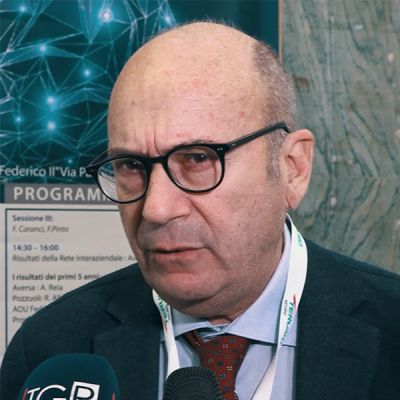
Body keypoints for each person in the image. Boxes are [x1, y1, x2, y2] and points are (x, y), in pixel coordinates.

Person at [1, 21, 400, 400]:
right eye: (131, 166)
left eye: (198, 158)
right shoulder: (50, 348)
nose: (156, 209)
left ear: (292, 168)